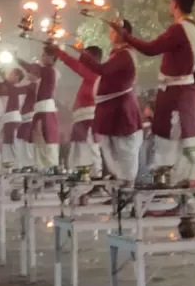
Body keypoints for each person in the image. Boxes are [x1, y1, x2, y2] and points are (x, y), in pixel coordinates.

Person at [119, 0, 195, 185]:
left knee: (170, 145)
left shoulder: (178, 29)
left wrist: (126, 36)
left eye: (170, 2)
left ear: (175, 4)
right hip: (187, 95)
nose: (169, 6)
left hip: (175, 96)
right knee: (186, 144)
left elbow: (151, 49)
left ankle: (176, 191)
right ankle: (184, 196)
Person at [57, 21, 142, 183]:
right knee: (110, 151)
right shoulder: (117, 54)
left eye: (113, 30)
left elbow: (101, 70)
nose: (110, 33)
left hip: (120, 109)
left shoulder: (124, 54)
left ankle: (125, 188)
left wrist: (77, 53)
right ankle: (118, 189)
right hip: (110, 110)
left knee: (122, 151)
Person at [54, 45, 103, 177]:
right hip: (80, 118)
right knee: (77, 149)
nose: (81, 60)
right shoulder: (88, 76)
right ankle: (78, 174)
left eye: (84, 57)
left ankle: (96, 177)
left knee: (90, 149)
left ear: (93, 59)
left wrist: (59, 53)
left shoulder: (94, 74)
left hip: (89, 119)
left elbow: (74, 64)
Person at [18, 45, 60, 170]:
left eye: (44, 55)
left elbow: (32, 68)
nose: (41, 57)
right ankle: (41, 166)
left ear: (51, 57)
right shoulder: (44, 72)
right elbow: (33, 70)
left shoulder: (49, 70)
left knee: (47, 138)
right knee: (38, 136)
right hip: (40, 109)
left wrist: (18, 59)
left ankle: (51, 166)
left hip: (46, 109)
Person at [0, 68, 30, 166]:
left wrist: (3, 77)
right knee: (6, 143)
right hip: (8, 118)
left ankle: (17, 165)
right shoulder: (11, 89)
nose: (9, 76)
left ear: (17, 77)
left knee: (13, 142)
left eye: (11, 74)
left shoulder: (20, 89)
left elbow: (12, 91)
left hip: (14, 118)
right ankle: (7, 164)